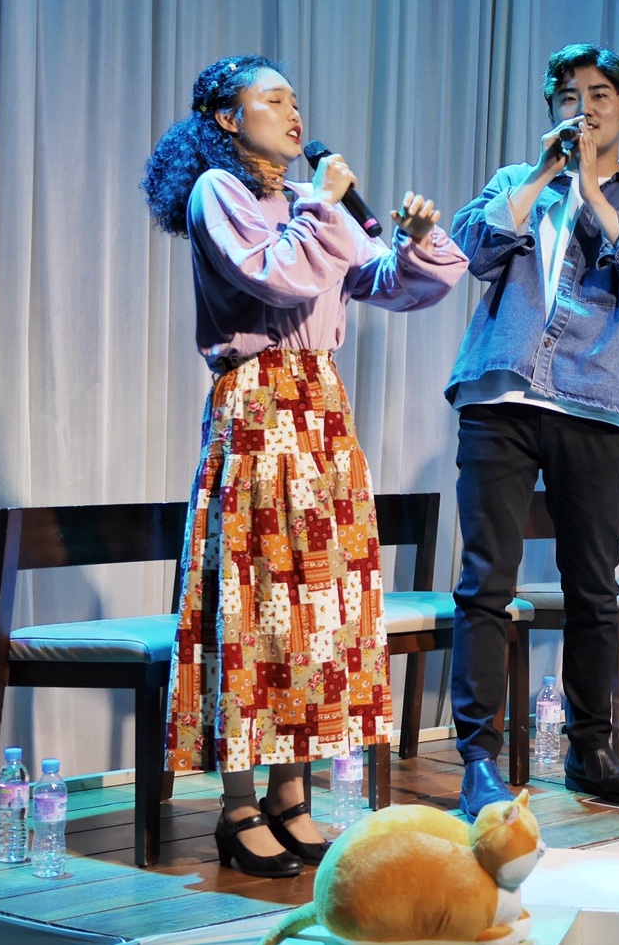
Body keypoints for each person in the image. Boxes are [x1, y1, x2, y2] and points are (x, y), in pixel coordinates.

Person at [142, 55, 467, 877]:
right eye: (274, 99)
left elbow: (389, 283)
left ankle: (293, 796)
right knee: (257, 601)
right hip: (259, 404)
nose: (294, 113)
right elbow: (278, 276)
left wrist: (416, 242)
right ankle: (238, 807)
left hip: (321, 409)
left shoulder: (307, 204)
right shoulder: (219, 192)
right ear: (228, 117)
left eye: (296, 99)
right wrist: (323, 204)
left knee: (314, 608)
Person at [445, 43, 619, 818]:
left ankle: (592, 750)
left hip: (591, 402)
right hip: (500, 394)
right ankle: (478, 761)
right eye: (566, 96)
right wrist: (546, 175)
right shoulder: (515, 182)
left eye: (597, 94)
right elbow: (471, 250)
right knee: (485, 581)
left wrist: (590, 187)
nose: (581, 108)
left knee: (593, 587)